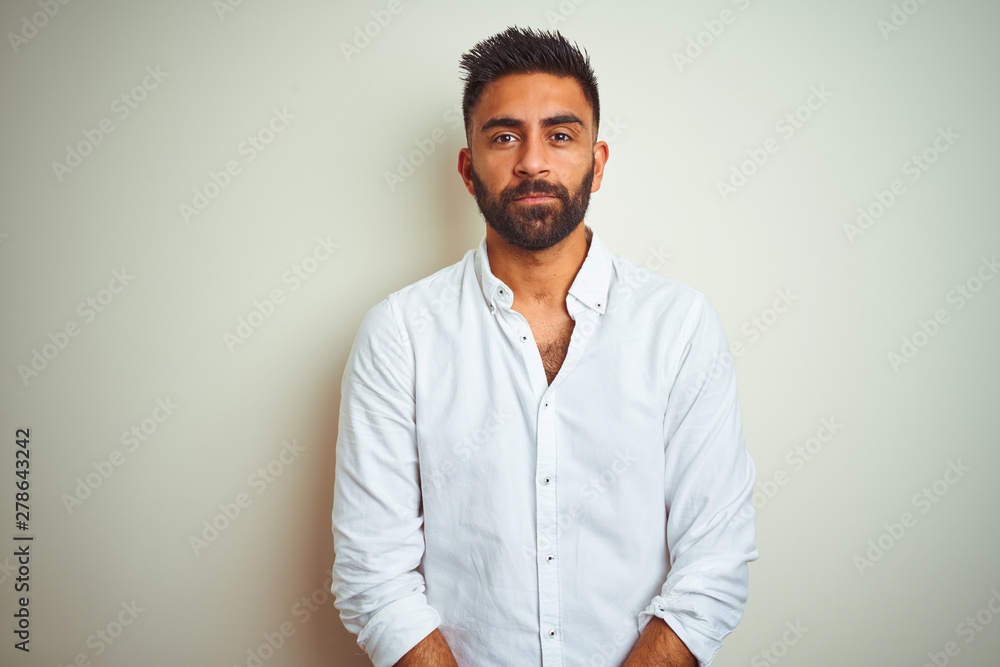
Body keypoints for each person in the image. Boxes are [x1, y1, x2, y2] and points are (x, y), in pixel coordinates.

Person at [331, 26, 757, 667]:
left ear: (599, 161)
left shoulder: (679, 326)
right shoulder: (399, 335)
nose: (533, 160)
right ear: (467, 166)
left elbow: (716, 559)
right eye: (505, 136)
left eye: (561, 135)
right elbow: (373, 571)